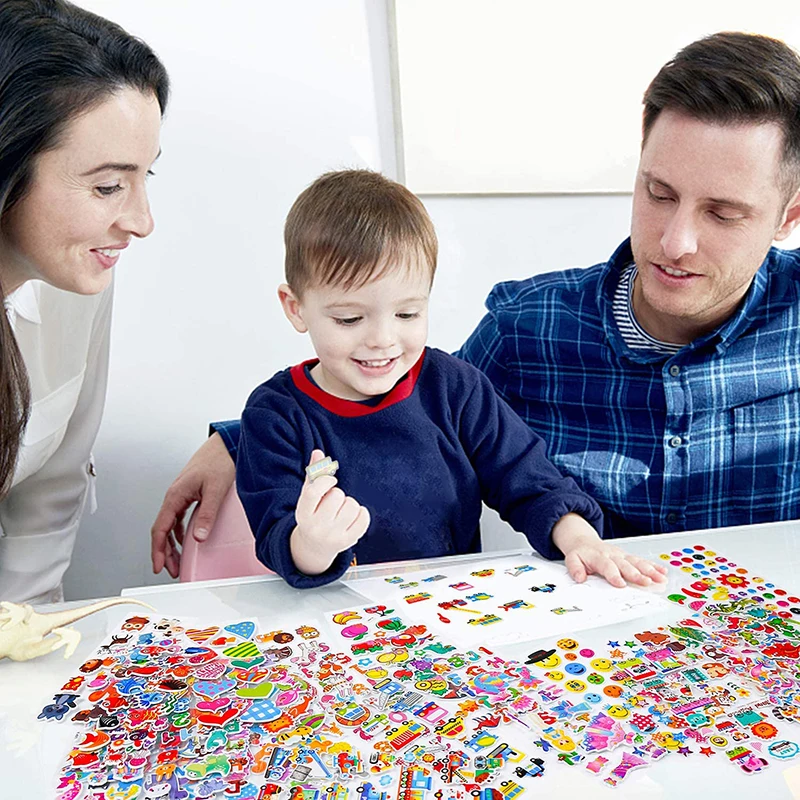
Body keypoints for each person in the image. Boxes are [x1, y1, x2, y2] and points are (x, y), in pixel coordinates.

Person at [152, 31, 800, 572]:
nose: (676, 240)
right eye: (658, 193)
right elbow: (400, 397)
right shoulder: (525, 331)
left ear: (787, 217)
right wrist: (238, 440)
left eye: (723, 213)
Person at [235, 169, 666, 589]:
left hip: (449, 606)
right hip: (335, 615)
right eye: (349, 319)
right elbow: (276, 537)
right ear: (295, 308)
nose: (382, 339)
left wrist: (580, 539)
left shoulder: (454, 387)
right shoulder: (275, 415)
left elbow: (529, 479)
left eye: (407, 314)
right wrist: (312, 545)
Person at [0, 0, 167, 604]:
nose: (142, 221)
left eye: (146, 177)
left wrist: (24, 638)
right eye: (107, 186)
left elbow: (50, 490)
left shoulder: (78, 273)